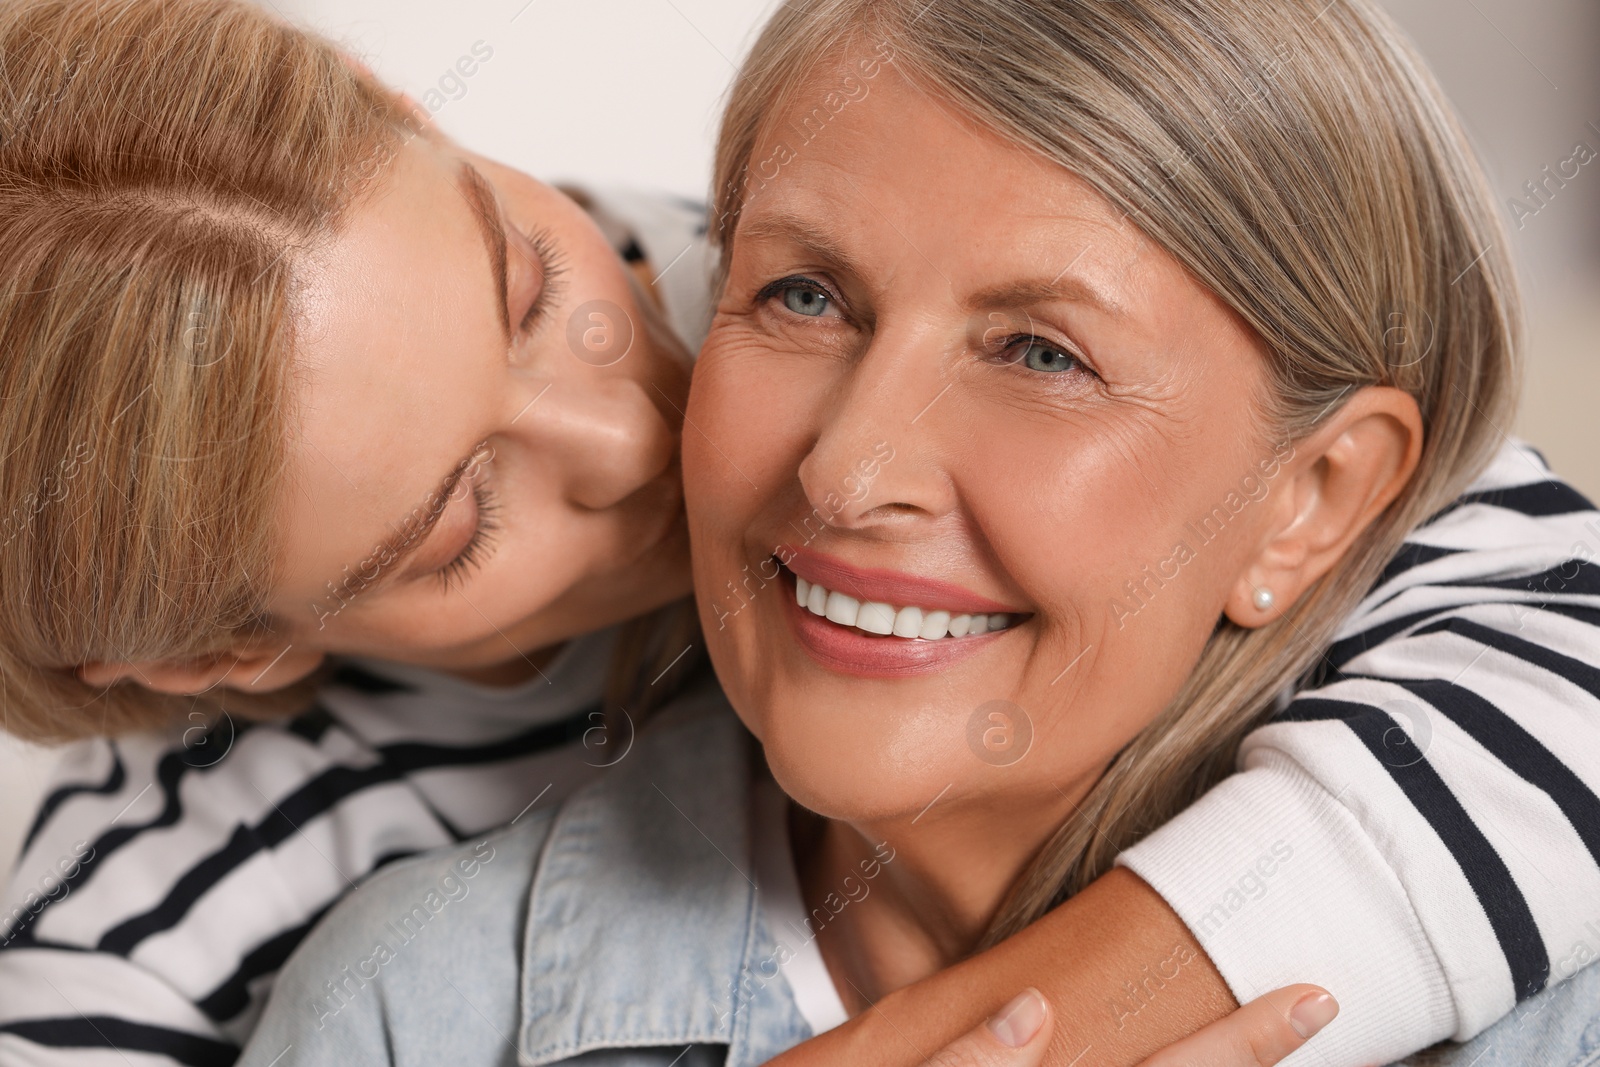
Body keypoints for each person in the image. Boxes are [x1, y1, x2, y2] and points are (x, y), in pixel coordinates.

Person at [228, 1, 1600, 1066]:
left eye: (1042, 353)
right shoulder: (406, 1012)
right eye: (807, 297)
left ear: (1311, 501)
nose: (847, 472)